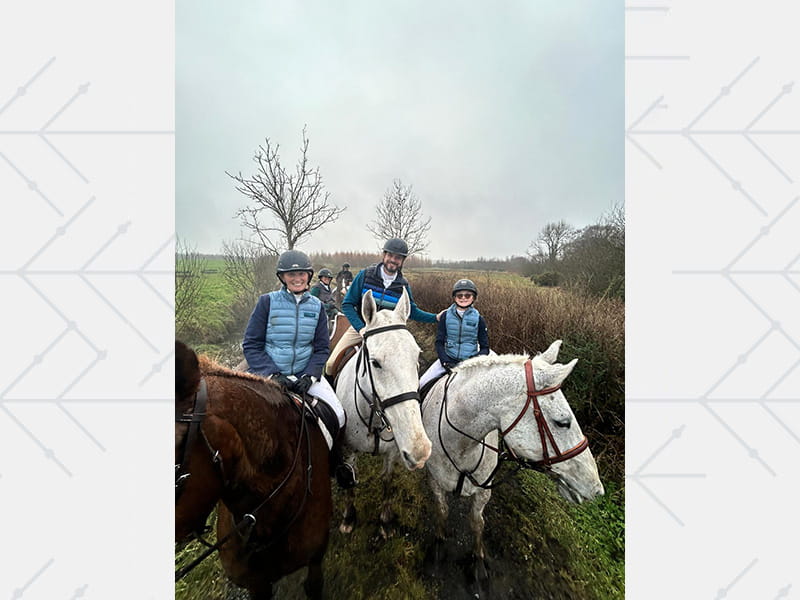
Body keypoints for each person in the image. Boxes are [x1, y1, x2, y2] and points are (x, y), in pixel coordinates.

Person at [242, 249, 356, 487]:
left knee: (339, 414)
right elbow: (251, 344)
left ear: (308, 276)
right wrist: (272, 373)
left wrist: (310, 375)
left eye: (301, 274)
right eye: (291, 274)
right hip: (269, 374)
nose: (297, 278)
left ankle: (335, 463)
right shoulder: (266, 302)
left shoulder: (317, 306)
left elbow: (322, 348)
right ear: (282, 277)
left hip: (304, 374)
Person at [325, 238, 439, 377]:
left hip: (389, 332)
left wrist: (436, 317)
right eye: (390, 255)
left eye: (398, 257)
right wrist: (360, 328)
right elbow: (347, 304)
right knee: (331, 364)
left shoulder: (403, 285)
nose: (393, 260)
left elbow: (412, 311)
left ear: (402, 260)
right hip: (362, 328)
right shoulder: (365, 275)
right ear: (384, 255)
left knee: (412, 365)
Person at [418, 278, 490, 390]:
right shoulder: (445, 316)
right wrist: (445, 361)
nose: (463, 298)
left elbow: (485, 348)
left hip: (470, 363)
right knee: (421, 383)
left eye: (467, 295)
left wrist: (473, 361)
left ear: (473, 298)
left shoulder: (479, 319)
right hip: (448, 359)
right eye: (459, 295)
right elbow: (439, 342)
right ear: (454, 297)